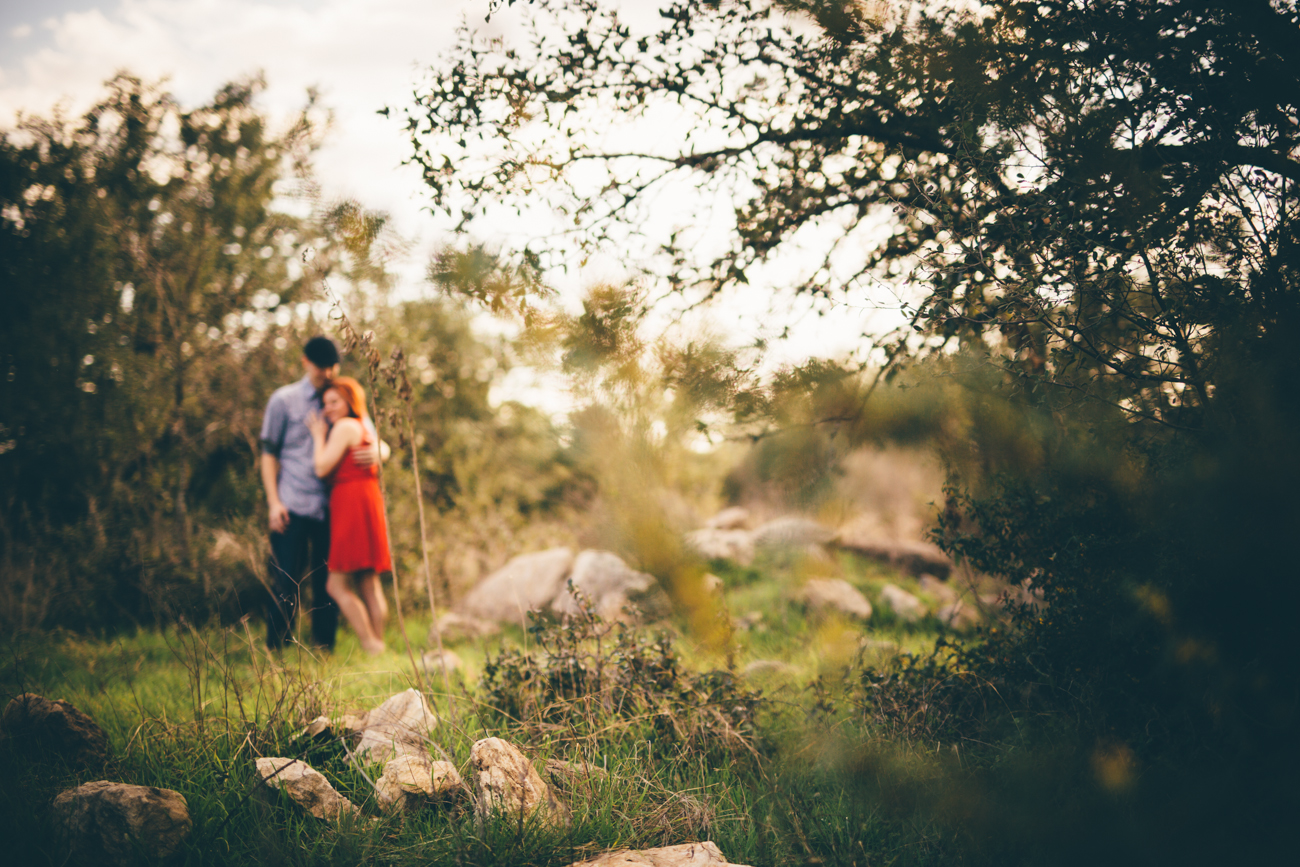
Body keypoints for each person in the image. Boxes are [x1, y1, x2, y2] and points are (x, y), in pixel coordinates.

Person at [259, 336, 380, 651]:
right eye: (321, 368)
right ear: (305, 363)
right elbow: (268, 453)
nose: (327, 373)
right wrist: (273, 502)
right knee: (286, 581)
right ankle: (278, 651)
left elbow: (369, 434)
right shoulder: (283, 400)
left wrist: (383, 450)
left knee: (327, 587)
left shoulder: (340, 395)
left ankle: (323, 650)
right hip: (292, 503)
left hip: (333, 509)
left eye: (332, 367)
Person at [307, 376, 392, 655]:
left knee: (335, 583)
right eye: (325, 403)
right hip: (366, 500)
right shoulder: (362, 425)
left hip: (352, 502)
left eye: (334, 401)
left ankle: (370, 644)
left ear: (349, 401)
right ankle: (379, 645)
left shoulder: (343, 426)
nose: (327, 408)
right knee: (368, 582)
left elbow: (321, 468)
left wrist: (318, 436)